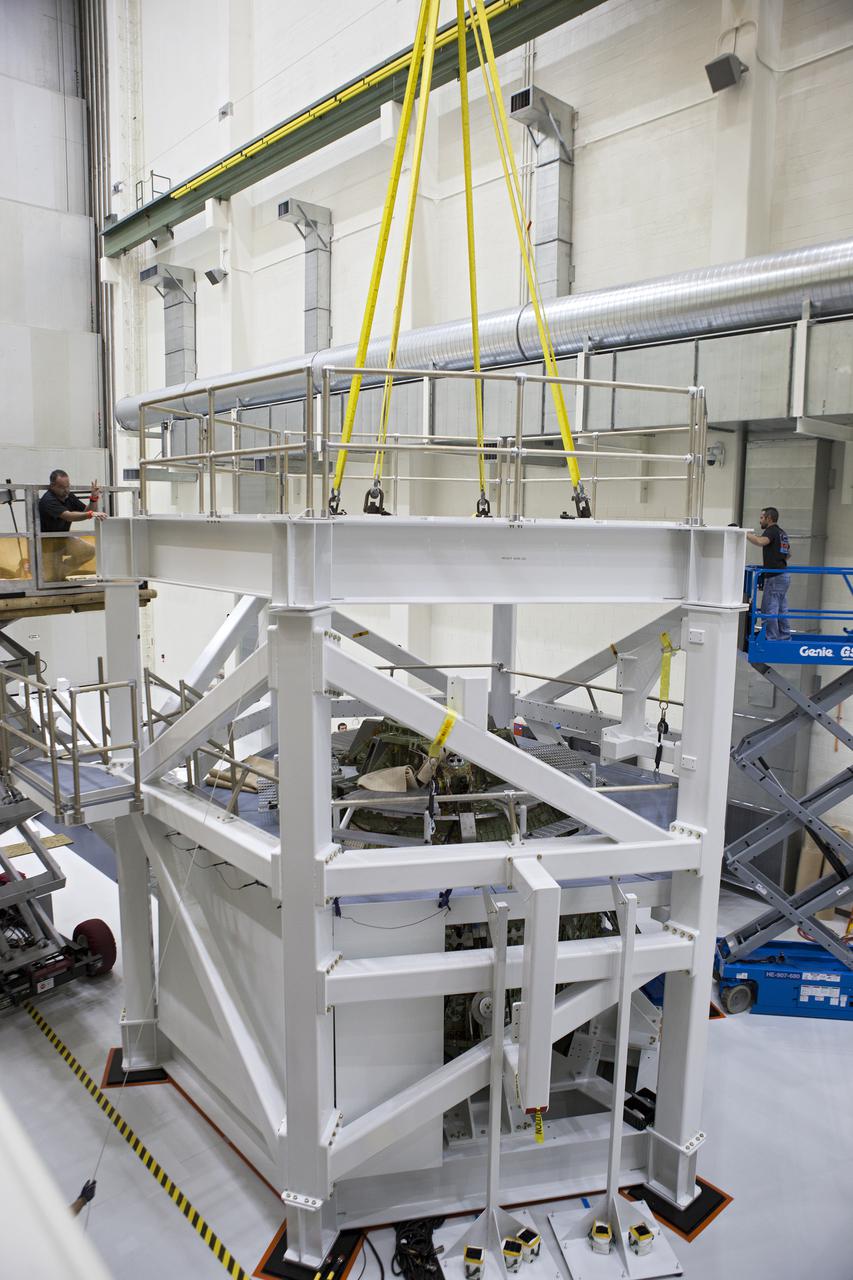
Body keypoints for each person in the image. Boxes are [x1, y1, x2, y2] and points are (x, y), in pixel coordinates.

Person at [38, 471, 105, 581]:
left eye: (68, 487)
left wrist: (93, 498)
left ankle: (60, 571)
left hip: (64, 539)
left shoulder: (69, 496)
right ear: (52, 486)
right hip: (47, 544)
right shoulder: (48, 500)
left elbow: (87, 511)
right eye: (62, 488)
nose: (66, 491)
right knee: (50, 580)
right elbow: (69, 516)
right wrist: (90, 514)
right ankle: (56, 575)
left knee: (89, 551)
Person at [746, 506, 791, 639]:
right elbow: (788, 555)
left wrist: (745, 534)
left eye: (761, 518)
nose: (760, 521)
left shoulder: (771, 531)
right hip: (783, 575)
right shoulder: (782, 533)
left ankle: (771, 638)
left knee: (769, 609)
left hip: (775, 577)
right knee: (781, 609)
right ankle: (785, 636)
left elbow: (761, 541)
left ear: (769, 518)